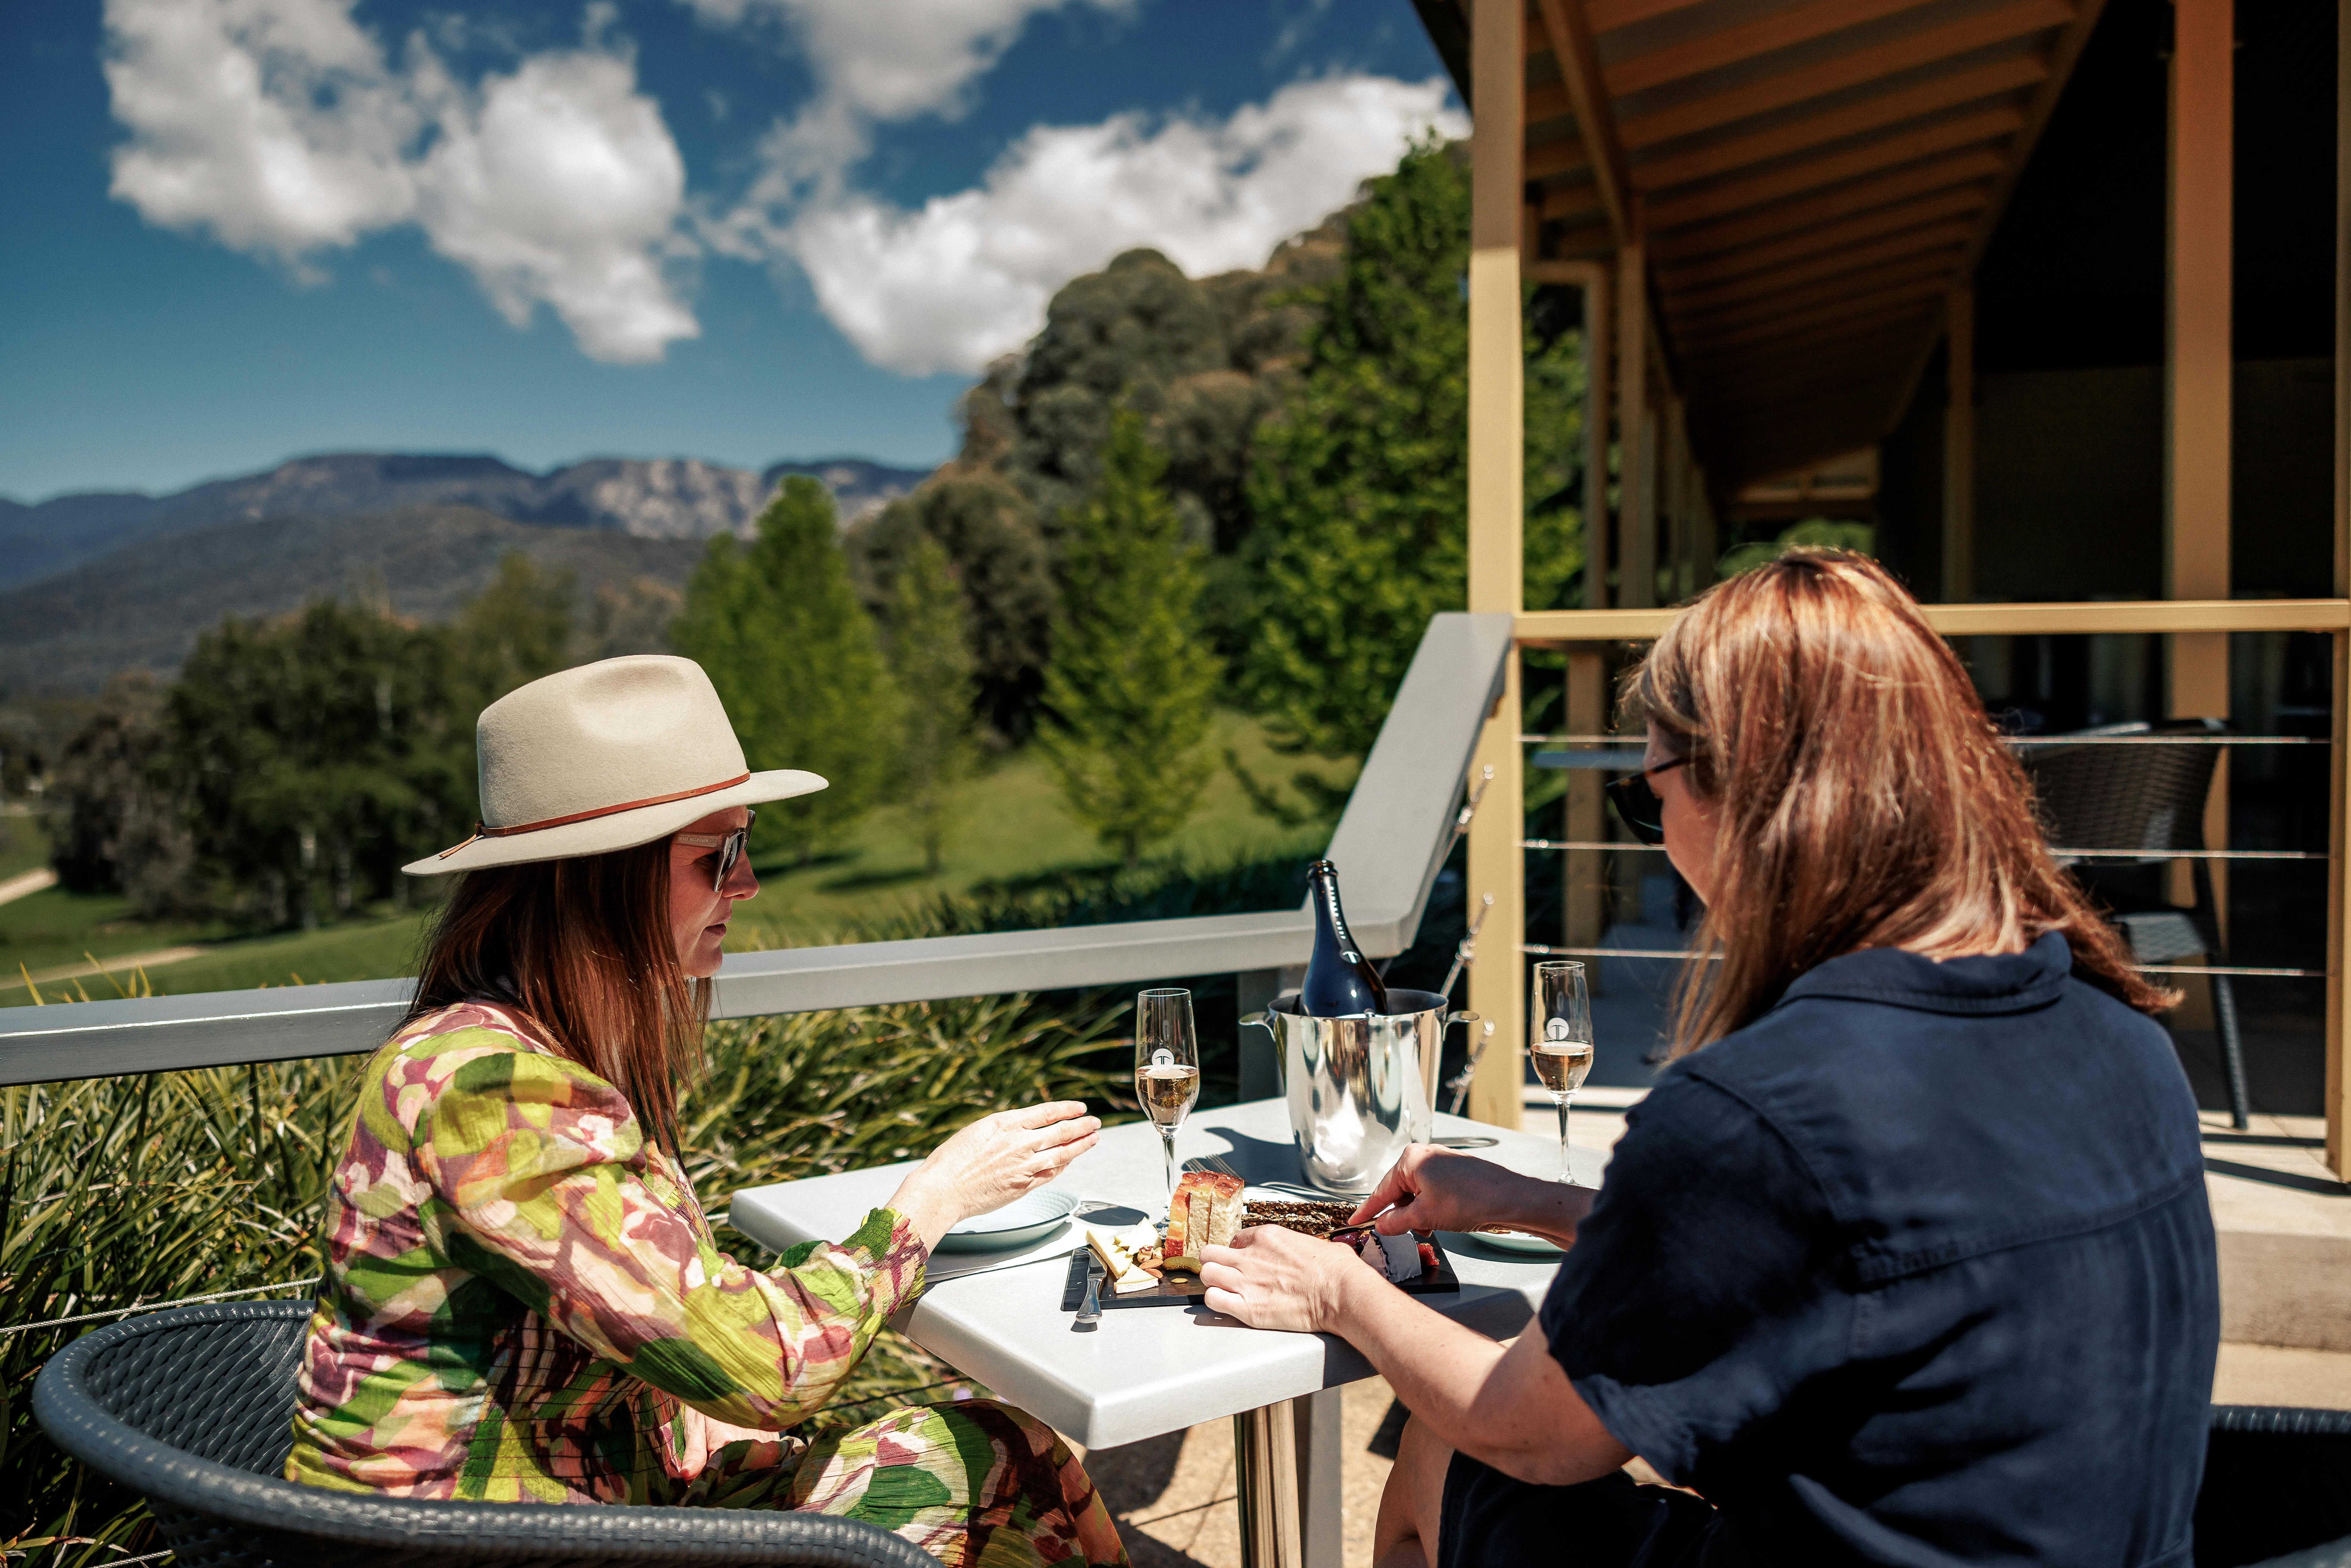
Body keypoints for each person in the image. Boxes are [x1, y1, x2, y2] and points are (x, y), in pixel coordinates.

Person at [1198, 552, 2220, 1567]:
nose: (1657, 840)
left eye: (1651, 798)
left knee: (1446, 1449)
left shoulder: (1765, 1109)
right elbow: (1849, 1255)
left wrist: (1338, 1292)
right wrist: (1539, 1204)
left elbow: (1534, 1434)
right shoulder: (2118, 1030)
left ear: (1755, 799)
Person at [287, 655, 1127, 1568]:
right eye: (717, 853)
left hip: (576, 1501)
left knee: (1003, 1448)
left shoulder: (527, 1052)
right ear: (597, 878)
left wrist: (687, 1419)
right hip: (479, 1543)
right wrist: (936, 1200)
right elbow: (767, 1372)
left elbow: (639, 1322)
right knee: (994, 1463)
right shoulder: (490, 1092)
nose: (749, 882)